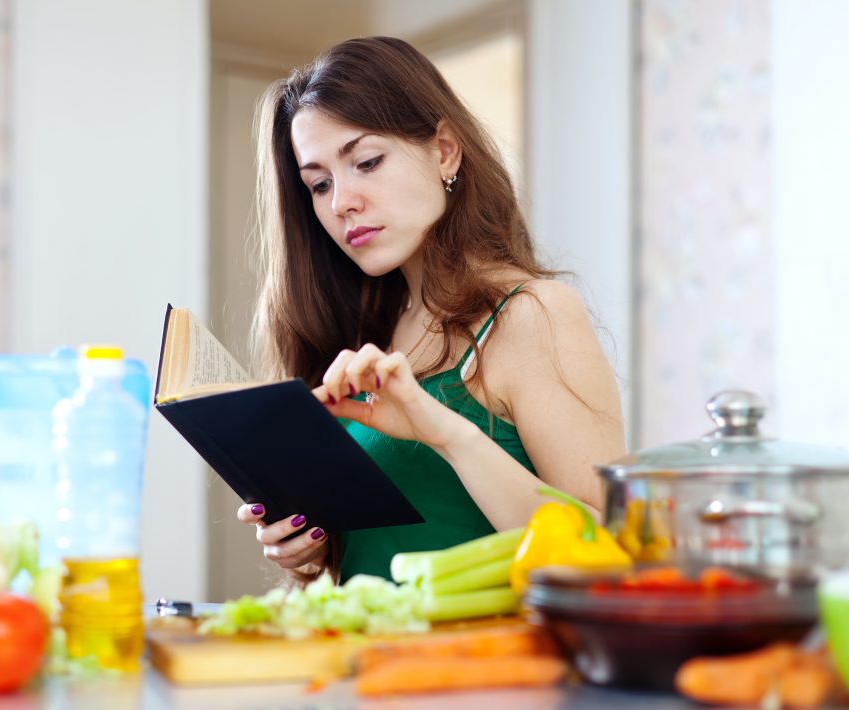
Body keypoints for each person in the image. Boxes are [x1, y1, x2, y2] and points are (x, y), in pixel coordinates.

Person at [237, 36, 625, 584]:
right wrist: (309, 547)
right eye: (319, 184)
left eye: (366, 162)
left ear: (444, 150)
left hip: (489, 666)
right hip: (361, 661)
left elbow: (604, 553)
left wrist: (444, 432)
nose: (341, 201)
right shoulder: (363, 333)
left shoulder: (533, 314)